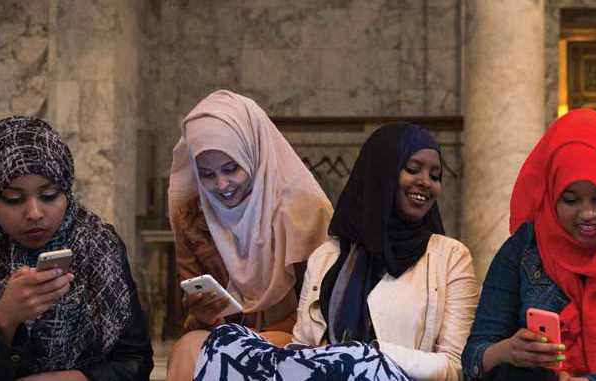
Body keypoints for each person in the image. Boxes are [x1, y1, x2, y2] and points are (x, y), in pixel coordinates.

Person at [192, 122, 479, 381]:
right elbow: (302, 348)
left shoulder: (451, 257)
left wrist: (364, 355)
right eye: (413, 169)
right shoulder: (327, 256)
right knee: (225, 340)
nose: (426, 182)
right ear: (381, 174)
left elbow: (454, 366)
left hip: (392, 375)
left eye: (436, 175)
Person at [461, 109, 596, 381]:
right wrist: (508, 351)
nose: (587, 214)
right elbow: (473, 356)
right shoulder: (524, 250)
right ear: (551, 196)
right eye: (570, 200)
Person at [0, 116, 153, 381]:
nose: (34, 213)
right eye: (13, 199)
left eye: (49, 195)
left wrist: (79, 378)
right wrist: (5, 319)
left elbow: (135, 361)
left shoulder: (99, 244)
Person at [165, 91, 333, 380]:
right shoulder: (191, 216)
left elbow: (322, 312)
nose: (221, 185)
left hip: (295, 341)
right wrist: (202, 315)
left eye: (231, 169)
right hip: (223, 341)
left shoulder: (305, 210)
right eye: (206, 174)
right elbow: (192, 312)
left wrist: (254, 338)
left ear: (254, 153)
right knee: (187, 348)